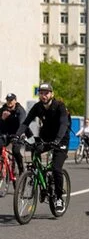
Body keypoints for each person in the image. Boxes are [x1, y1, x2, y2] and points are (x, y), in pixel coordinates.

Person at [16, 83, 70, 212]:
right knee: (34, 149)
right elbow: (26, 122)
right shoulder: (38, 107)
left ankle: (58, 197)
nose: (43, 95)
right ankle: (37, 176)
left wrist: (57, 140)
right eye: (41, 93)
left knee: (56, 168)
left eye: (46, 93)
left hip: (61, 138)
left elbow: (63, 124)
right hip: (45, 137)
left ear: (52, 94)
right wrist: (17, 135)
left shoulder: (59, 106)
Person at [0, 93, 27, 174]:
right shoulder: (3, 109)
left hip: (18, 134)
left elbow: (22, 123)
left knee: (15, 151)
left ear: (15, 101)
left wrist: (18, 135)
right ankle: (4, 162)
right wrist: (2, 118)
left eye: (11, 100)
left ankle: (21, 168)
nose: (9, 102)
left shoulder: (20, 110)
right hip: (6, 134)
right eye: (8, 100)